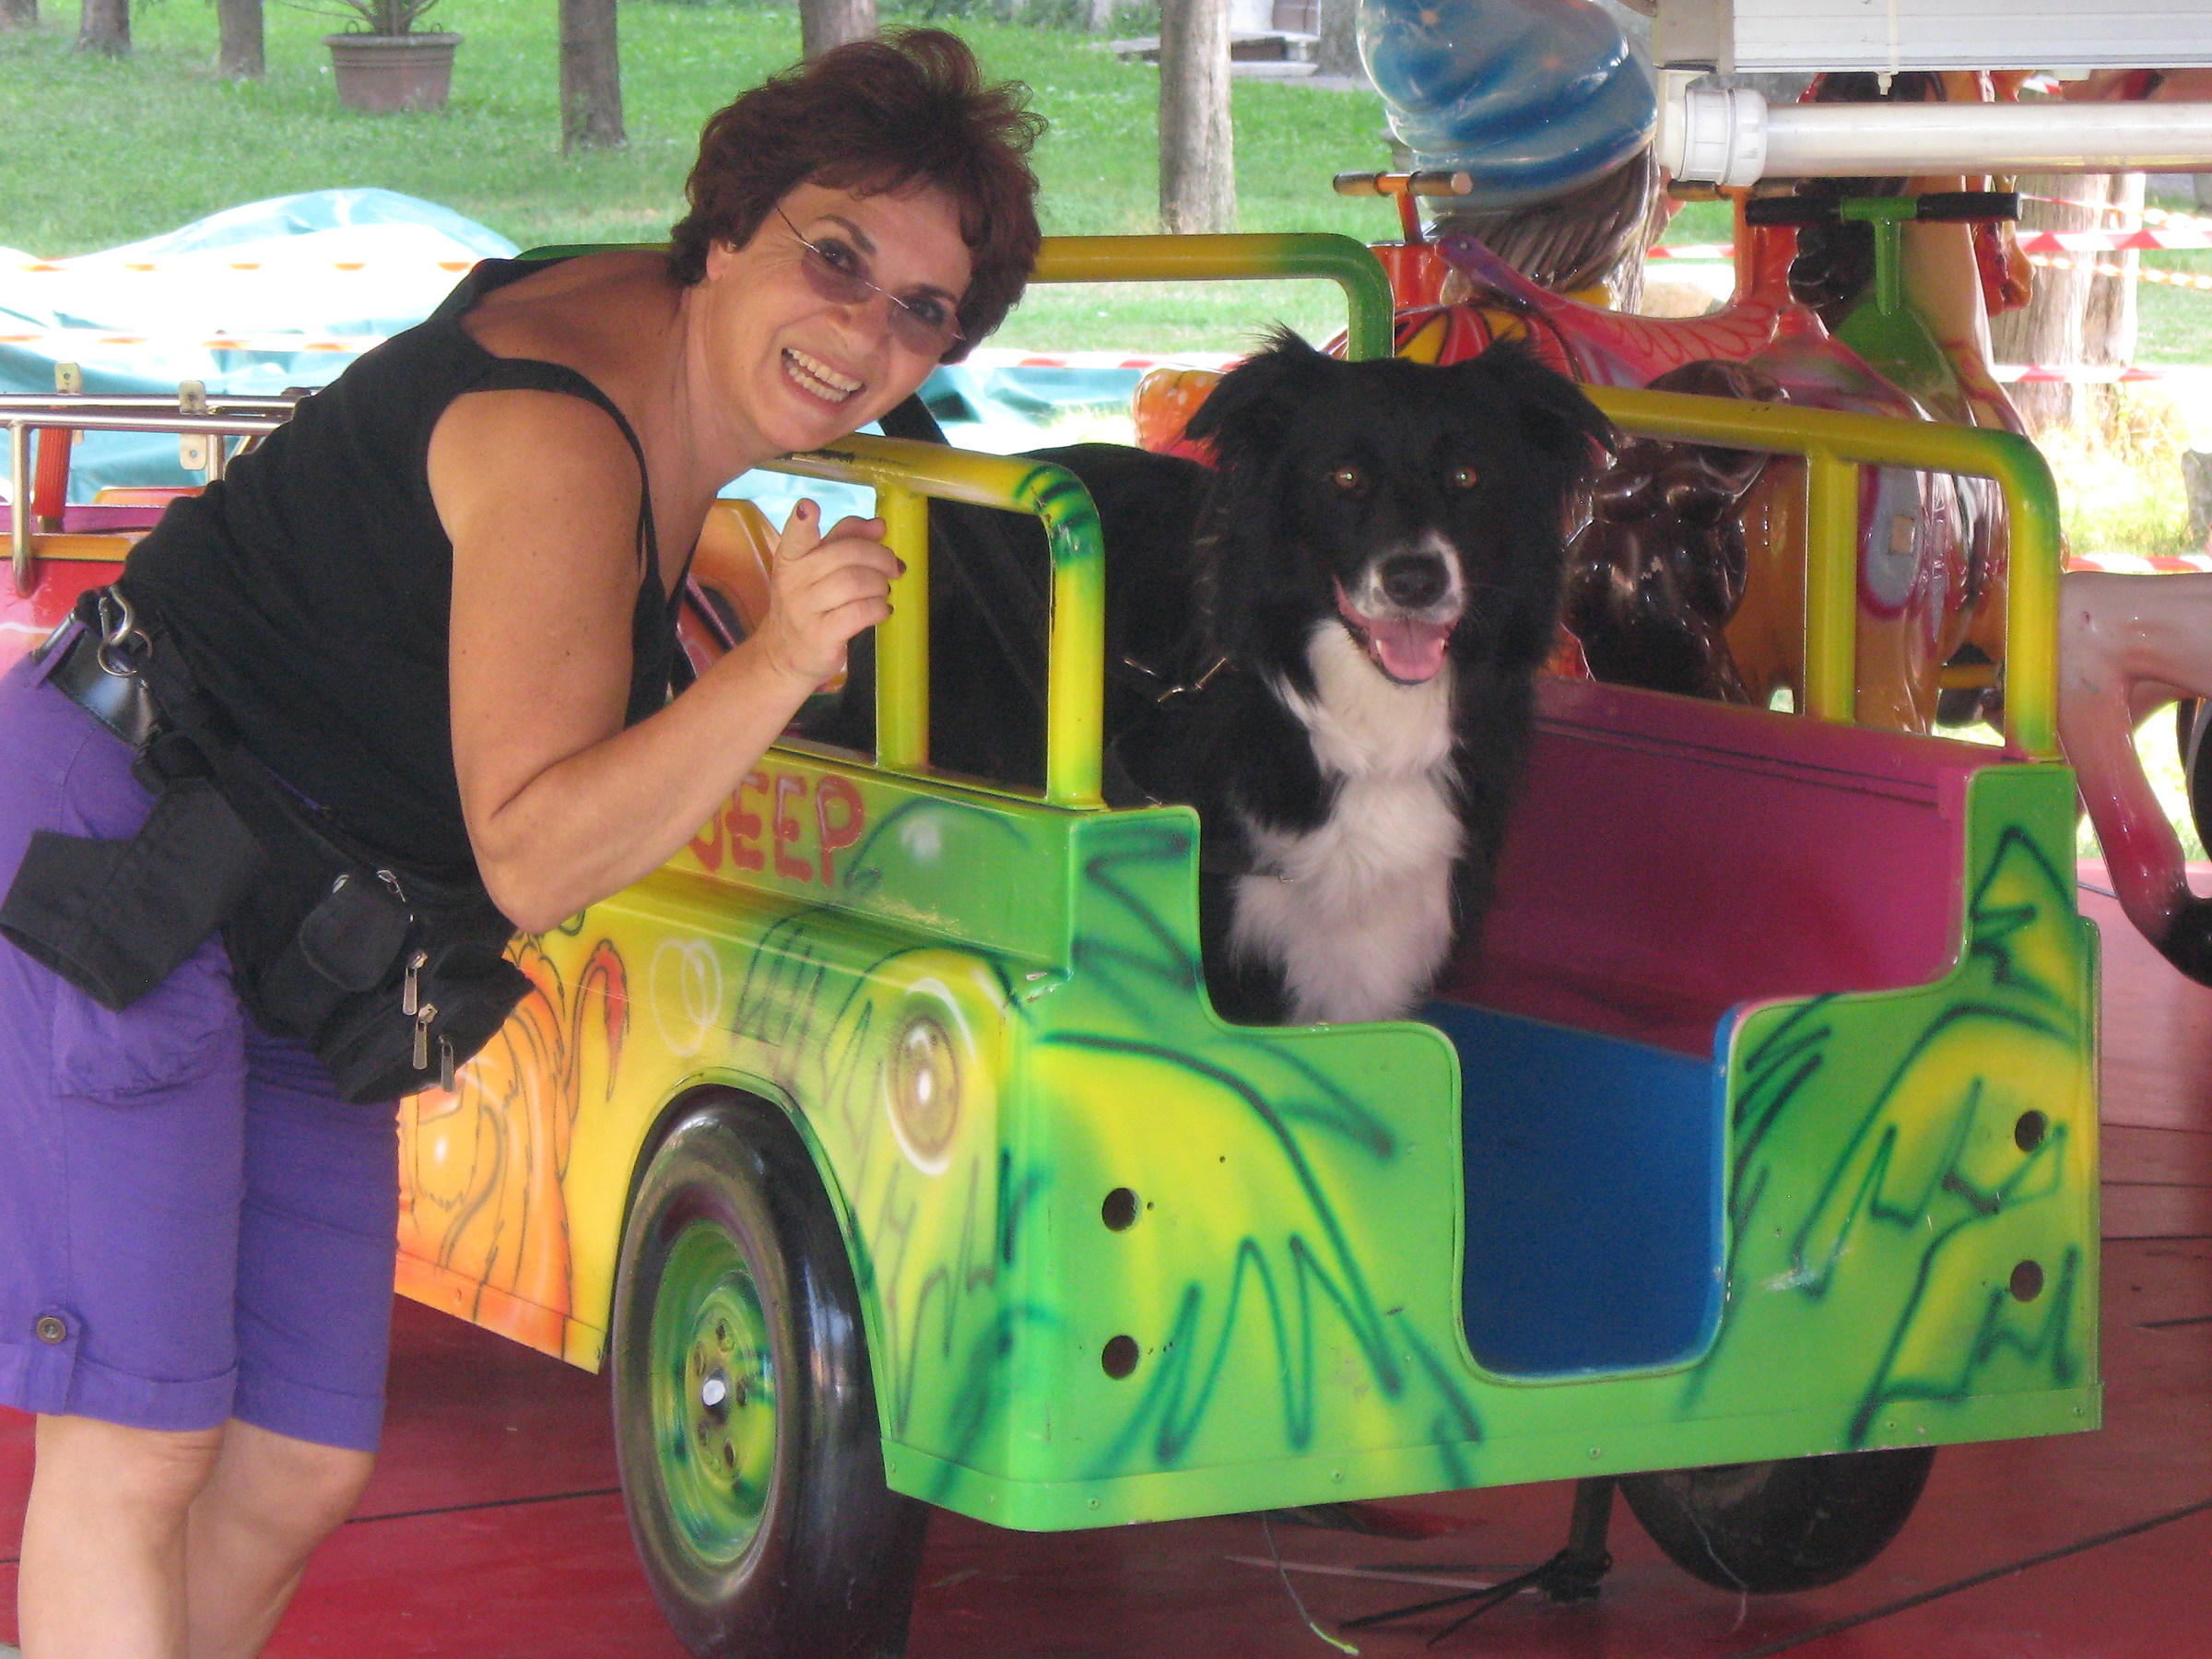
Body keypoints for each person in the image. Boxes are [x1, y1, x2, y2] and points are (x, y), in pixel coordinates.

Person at [0, 28, 1041, 1656]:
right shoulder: (562, 443)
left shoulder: (670, 343)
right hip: (128, 853)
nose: (867, 334)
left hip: (307, 912)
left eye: (926, 310)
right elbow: (537, 858)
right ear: (725, 228)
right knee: (135, 1440)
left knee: (293, 1461)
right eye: (835, 259)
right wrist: (774, 665)